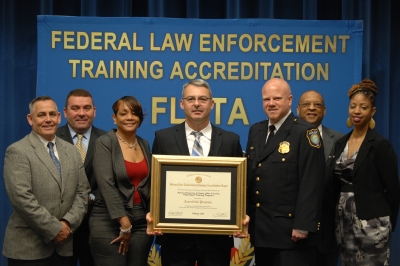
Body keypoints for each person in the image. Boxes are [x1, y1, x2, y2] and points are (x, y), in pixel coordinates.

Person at [149, 79, 243, 266]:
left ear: (212, 104)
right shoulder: (163, 138)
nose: (197, 104)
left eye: (203, 99)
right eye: (191, 99)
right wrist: (153, 214)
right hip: (175, 238)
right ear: (182, 104)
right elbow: (154, 182)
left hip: (216, 239)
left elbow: (240, 184)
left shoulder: (231, 140)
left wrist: (241, 215)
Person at [246, 78, 325, 266]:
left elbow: (312, 182)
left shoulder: (306, 132)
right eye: (266, 99)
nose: (271, 103)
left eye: (277, 98)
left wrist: (303, 225)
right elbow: (251, 177)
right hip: (261, 231)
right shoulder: (256, 130)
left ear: (290, 100)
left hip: (291, 234)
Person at [2, 96, 90, 266]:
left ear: (59, 117)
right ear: (30, 119)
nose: (48, 120)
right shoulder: (17, 151)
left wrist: (66, 224)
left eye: (52, 114)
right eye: (41, 115)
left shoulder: (72, 151)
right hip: (28, 250)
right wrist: (54, 229)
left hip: (64, 248)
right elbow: (21, 198)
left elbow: (82, 192)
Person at [328, 78, 400, 265]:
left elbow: (393, 189)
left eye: (363, 107)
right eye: (353, 106)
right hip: (343, 221)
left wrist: (387, 221)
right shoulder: (340, 143)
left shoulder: (380, 145)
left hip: (373, 223)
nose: (357, 111)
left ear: (372, 111)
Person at [88, 96, 153, 266]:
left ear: (140, 118)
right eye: (123, 113)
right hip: (109, 222)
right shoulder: (104, 143)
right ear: (114, 118)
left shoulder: (144, 144)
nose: (129, 118)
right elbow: (106, 184)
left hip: (140, 224)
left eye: (134, 113)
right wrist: (124, 223)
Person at [56, 89, 106, 266]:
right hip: (60, 226)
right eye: (75, 108)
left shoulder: (108, 140)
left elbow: (113, 181)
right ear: (65, 112)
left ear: (94, 111)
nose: (82, 113)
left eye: (87, 108)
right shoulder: (51, 138)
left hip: (96, 224)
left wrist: (91, 197)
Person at [297, 90, 343, 266]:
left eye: (317, 105)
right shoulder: (285, 139)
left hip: (328, 230)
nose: (311, 108)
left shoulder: (339, 140)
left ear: (324, 110)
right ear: (298, 109)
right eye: (306, 104)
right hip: (294, 232)